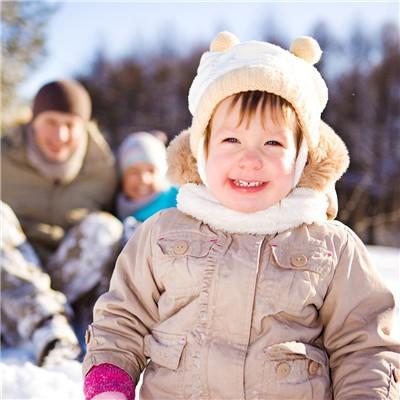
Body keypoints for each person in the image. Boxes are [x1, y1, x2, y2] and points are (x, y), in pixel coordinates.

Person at [82, 32, 399, 400]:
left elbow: (364, 346)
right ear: (201, 151)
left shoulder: (332, 246)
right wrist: (109, 384)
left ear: (300, 159)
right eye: (231, 140)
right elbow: (121, 322)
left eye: (273, 143)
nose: (250, 159)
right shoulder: (161, 234)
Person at [1, 80, 123, 365]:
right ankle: (44, 323)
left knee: (106, 228)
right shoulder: (4, 157)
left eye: (70, 123)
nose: (60, 134)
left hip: (65, 286)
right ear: (33, 121)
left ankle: (79, 327)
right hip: (8, 284)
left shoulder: (102, 168)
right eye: (51, 122)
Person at [116, 131, 178, 244]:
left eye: (151, 171)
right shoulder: (117, 210)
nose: (144, 179)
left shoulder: (179, 201)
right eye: (134, 172)